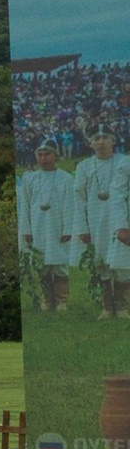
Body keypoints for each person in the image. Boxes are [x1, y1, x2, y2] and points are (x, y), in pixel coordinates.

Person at [74, 132, 130, 317]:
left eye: (105, 137)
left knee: (122, 260)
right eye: (96, 139)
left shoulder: (124, 162)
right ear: (90, 143)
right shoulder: (84, 166)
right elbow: (79, 199)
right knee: (101, 260)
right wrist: (82, 227)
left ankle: (121, 306)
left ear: (113, 140)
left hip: (121, 218)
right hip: (95, 220)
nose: (101, 142)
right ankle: (106, 306)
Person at [18, 143, 78, 311]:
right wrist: (26, 230)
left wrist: (67, 230)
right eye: (40, 155)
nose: (43, 158)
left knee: (59, 264)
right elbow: (25, 207)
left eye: (47, 154)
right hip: (37, 228)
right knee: (41, 264)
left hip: (58, 227)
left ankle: (61, 301)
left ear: (55, 156)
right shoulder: (29, 179)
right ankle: (47, 300)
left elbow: (69, 206)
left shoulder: (65, 178)